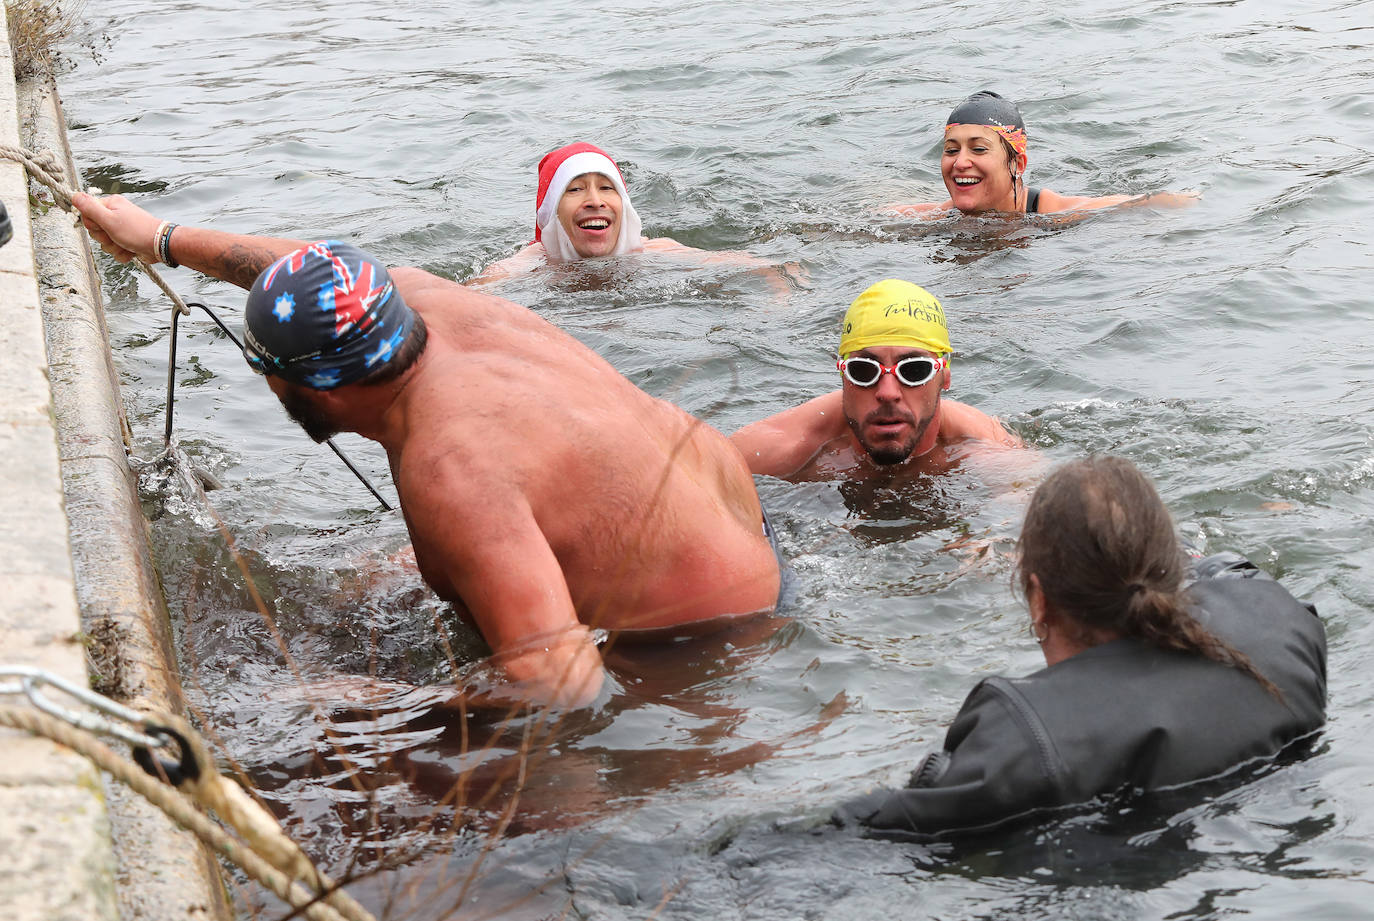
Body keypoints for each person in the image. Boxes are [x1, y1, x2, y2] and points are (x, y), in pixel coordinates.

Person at [72, 191, 782, 711]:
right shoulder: (422, 302)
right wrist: (157, 236)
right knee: (365, 576)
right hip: (748, 530)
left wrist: (363, 708)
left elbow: (563, 686)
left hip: (711, 648)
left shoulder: (454, 470)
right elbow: (312, 272)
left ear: (316, 388)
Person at [835, 455, 1327, 838]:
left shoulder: (1027, 739)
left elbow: (866, 835)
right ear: (1169, 570)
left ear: (1040, 600)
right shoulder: (1282, 620)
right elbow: (1222, 571)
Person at [729, 279, 1023, 482]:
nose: (887, 393)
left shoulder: (987, 451)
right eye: (865, 370)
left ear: (944, 376)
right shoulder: (776, 452)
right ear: (843, 374)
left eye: (914, 370)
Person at [469, 141, 788, 285]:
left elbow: (757, 267)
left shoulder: (650, 251)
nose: (595, 201)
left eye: (607, 188)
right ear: (552, 212)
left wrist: (780, 289)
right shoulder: (524, 267)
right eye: (576, 189)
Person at [883, 90, 1199, 218]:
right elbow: (881, 215)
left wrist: (1193, 199)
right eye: (951, 150)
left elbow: (1141, 203)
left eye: (978, 148)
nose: (960, 162)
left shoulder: (1053, 213)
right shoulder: (938, 217)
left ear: (1017, 163)